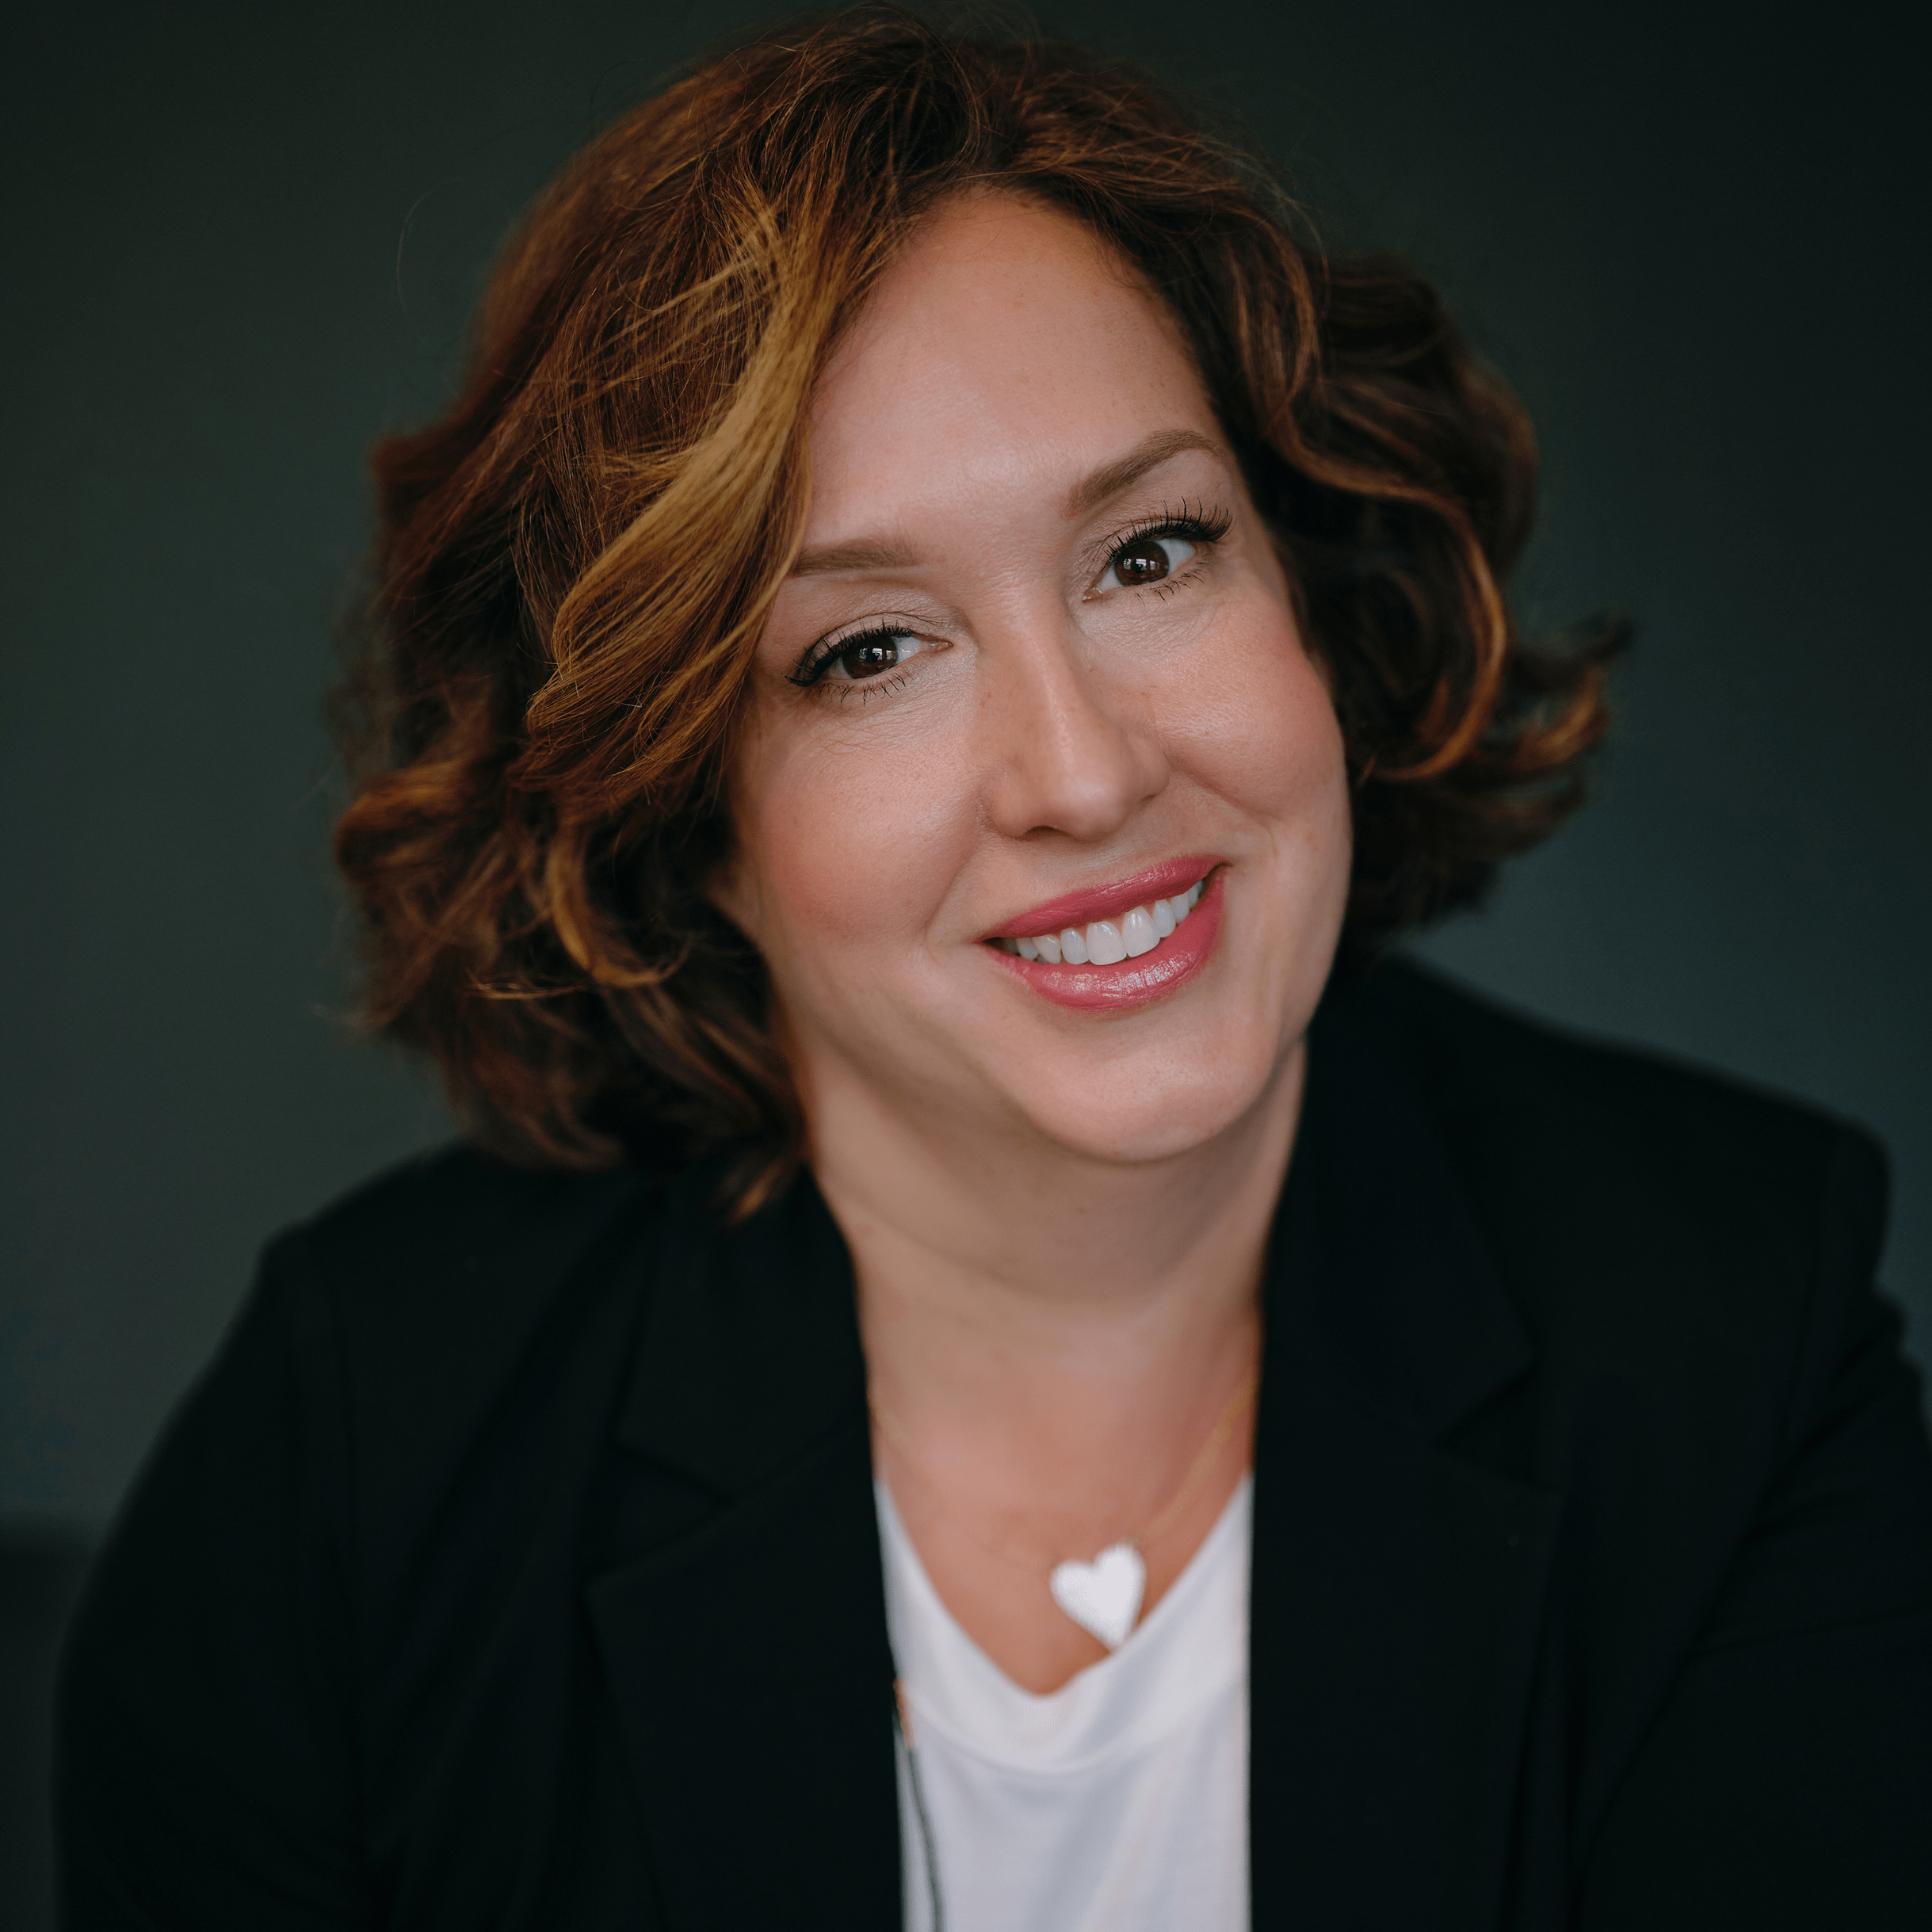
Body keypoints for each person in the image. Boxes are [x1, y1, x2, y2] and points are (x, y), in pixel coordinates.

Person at [55, 11, 1932, 1930]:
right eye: (869, 651)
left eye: (1150, 553)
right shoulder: (361, 1452)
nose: (1086, 771)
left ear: (1308, 577)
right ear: (675, 810)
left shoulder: (1731, 1328)